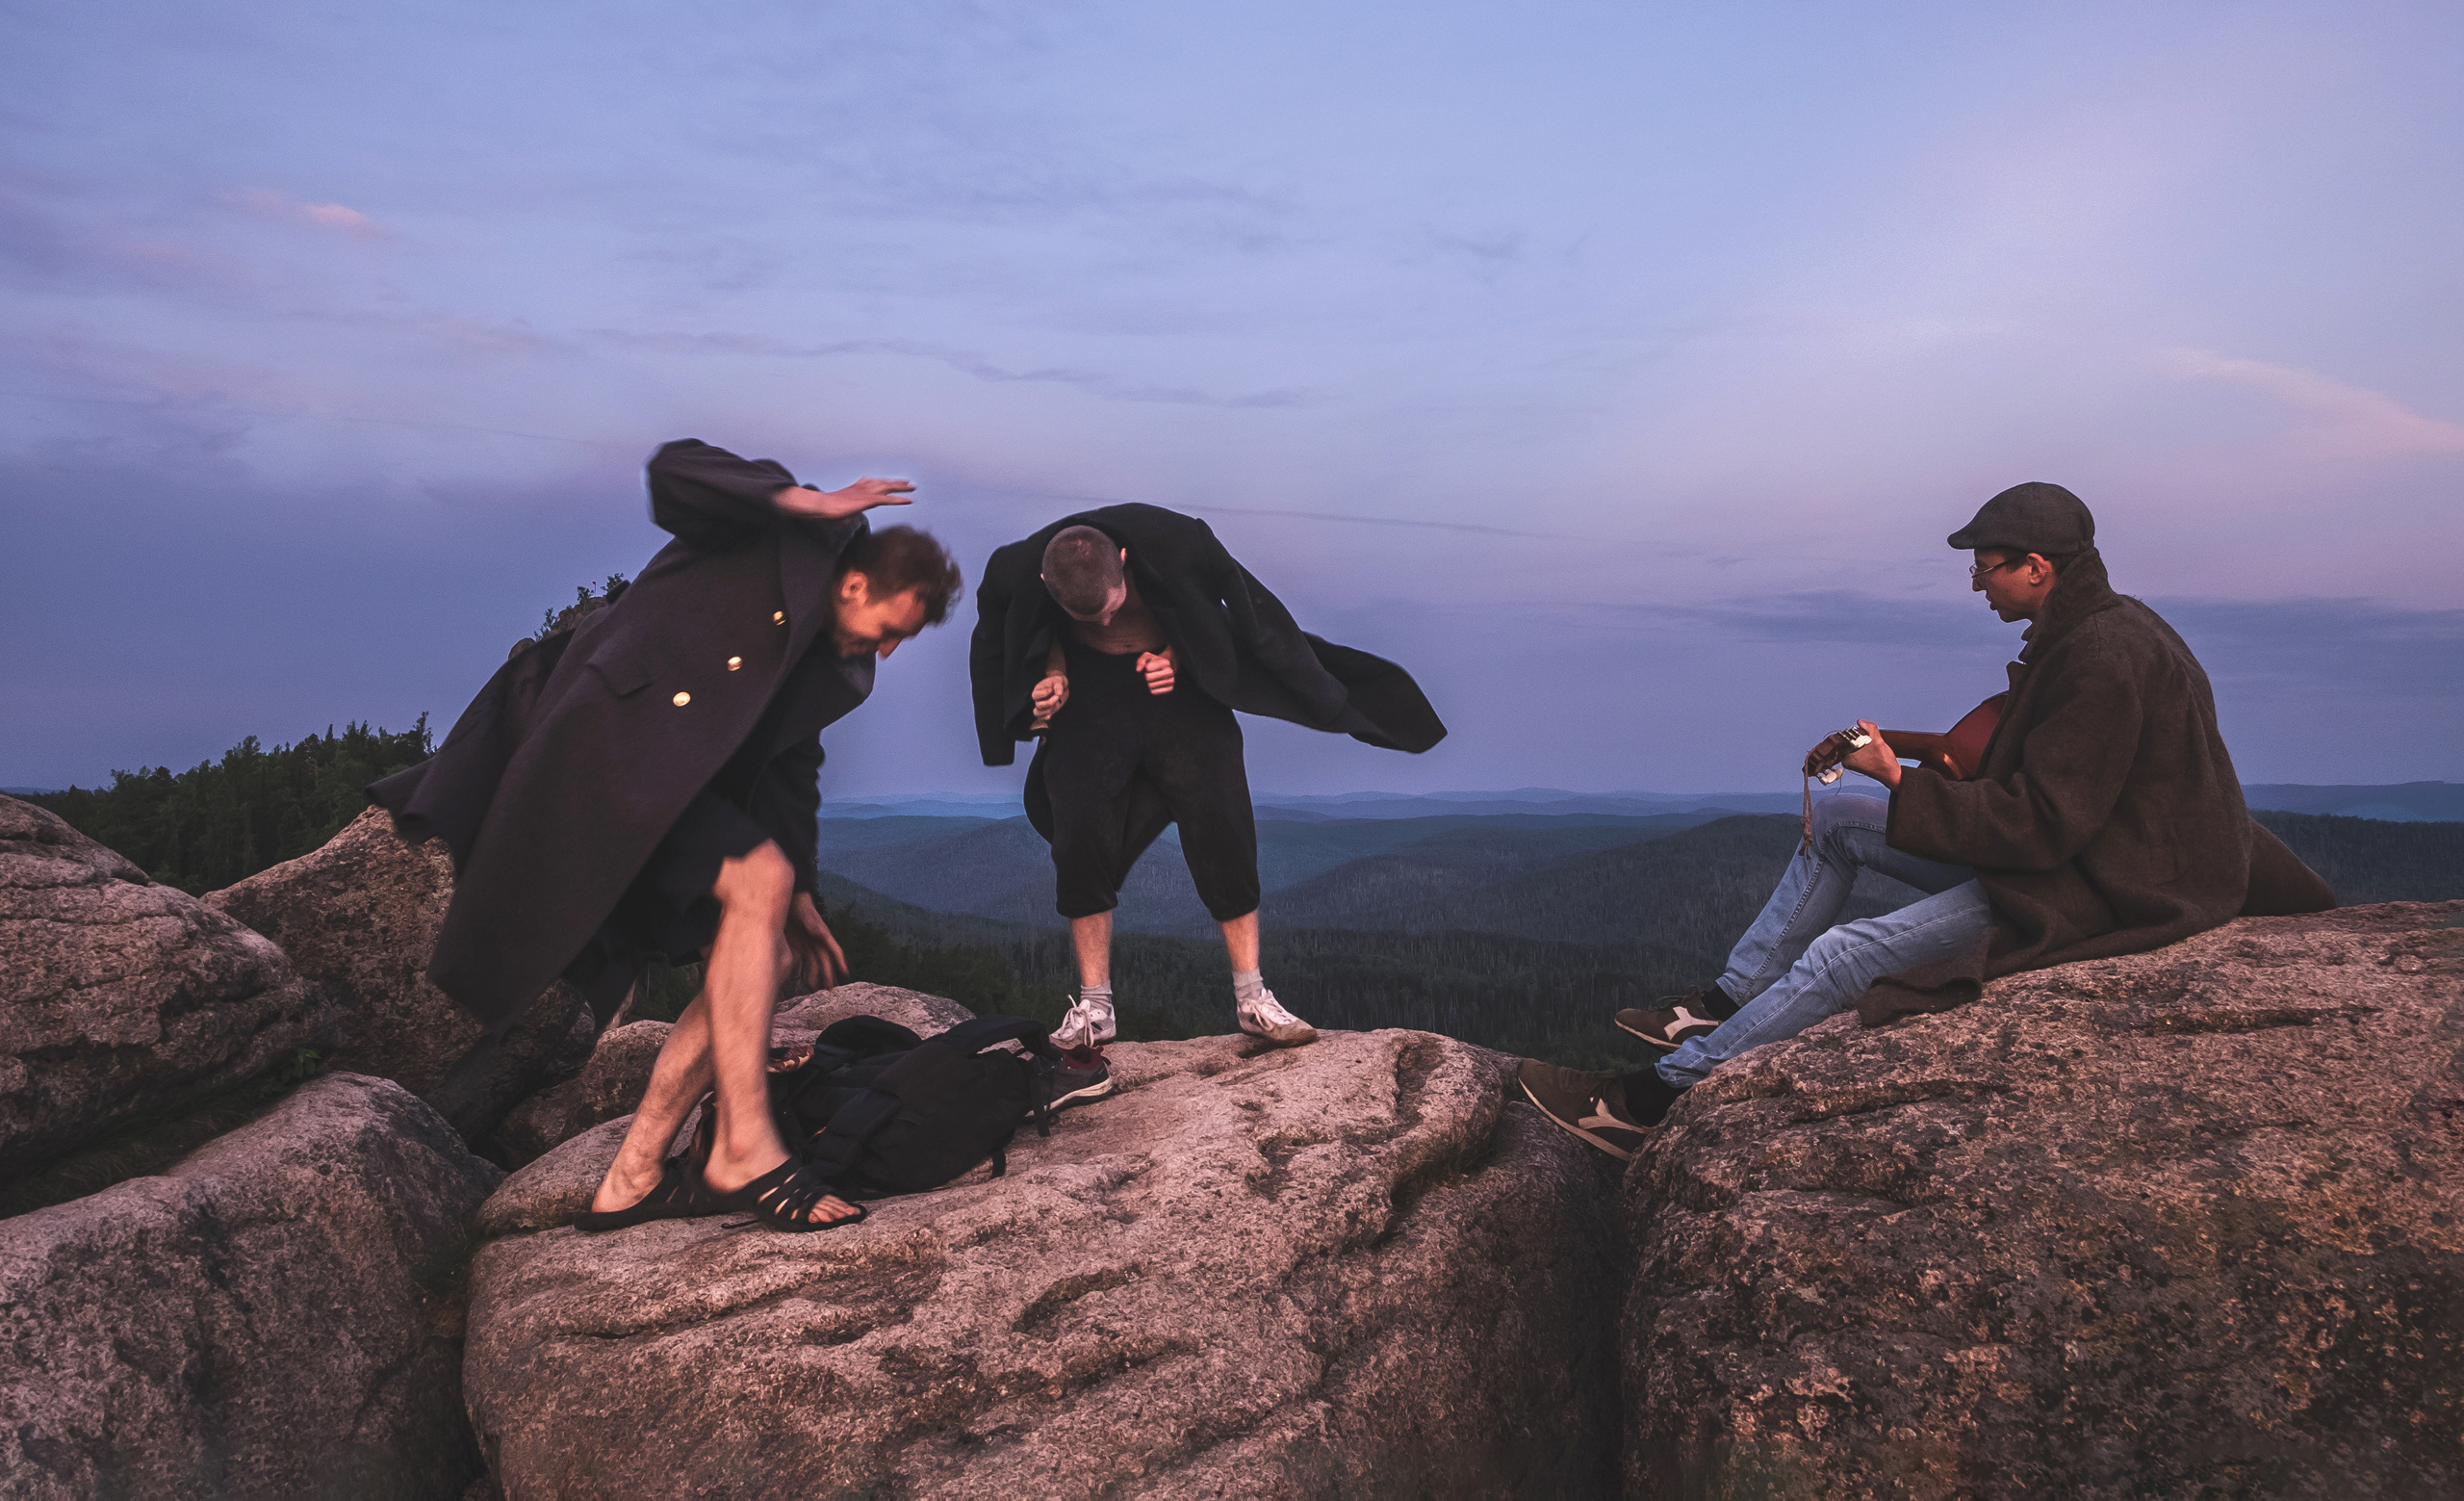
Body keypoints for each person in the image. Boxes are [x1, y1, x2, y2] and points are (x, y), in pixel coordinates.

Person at [1519, 481, 2333, 1157]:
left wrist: (1902, 784)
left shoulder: (2103, 657)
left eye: (1987, 568)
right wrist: (1896, 765)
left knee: (1848, 954)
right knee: (1839, 816)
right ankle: (1732, 1000)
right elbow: (2046, 784)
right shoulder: (2098, 631)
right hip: (2081, 854)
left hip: (2103, 883)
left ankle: (1645, 1104)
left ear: (2038, 568)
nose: (1977, 582)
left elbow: (2041, 824)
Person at [372, 439, 963, 1229]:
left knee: (771, 944)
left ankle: (634, 1170)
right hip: (603, 744)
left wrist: (807, 891)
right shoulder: (776, 536)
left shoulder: (839, 668)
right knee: (756, 884)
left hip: (669, 790)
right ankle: (744, 1145)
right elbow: (675, 472)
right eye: (892, 626)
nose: (889, 649)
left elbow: (789, 770)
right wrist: (804, 499)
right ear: (855, 582)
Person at [971, 506, 1446, 1066]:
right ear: (1048, 585)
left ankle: (1252, 998)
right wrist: (1048, 679)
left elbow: (1228, 614)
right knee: (1080, 836)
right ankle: (1095, 1008)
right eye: (1084, 615)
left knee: (1222, 823)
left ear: (1124, 562)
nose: (1101, 623)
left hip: (1182, 698)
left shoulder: (1178, 541)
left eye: (1111, 607)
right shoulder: (1017, 570)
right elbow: (1024, 634)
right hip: (1089, 703)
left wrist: (1178, 658)